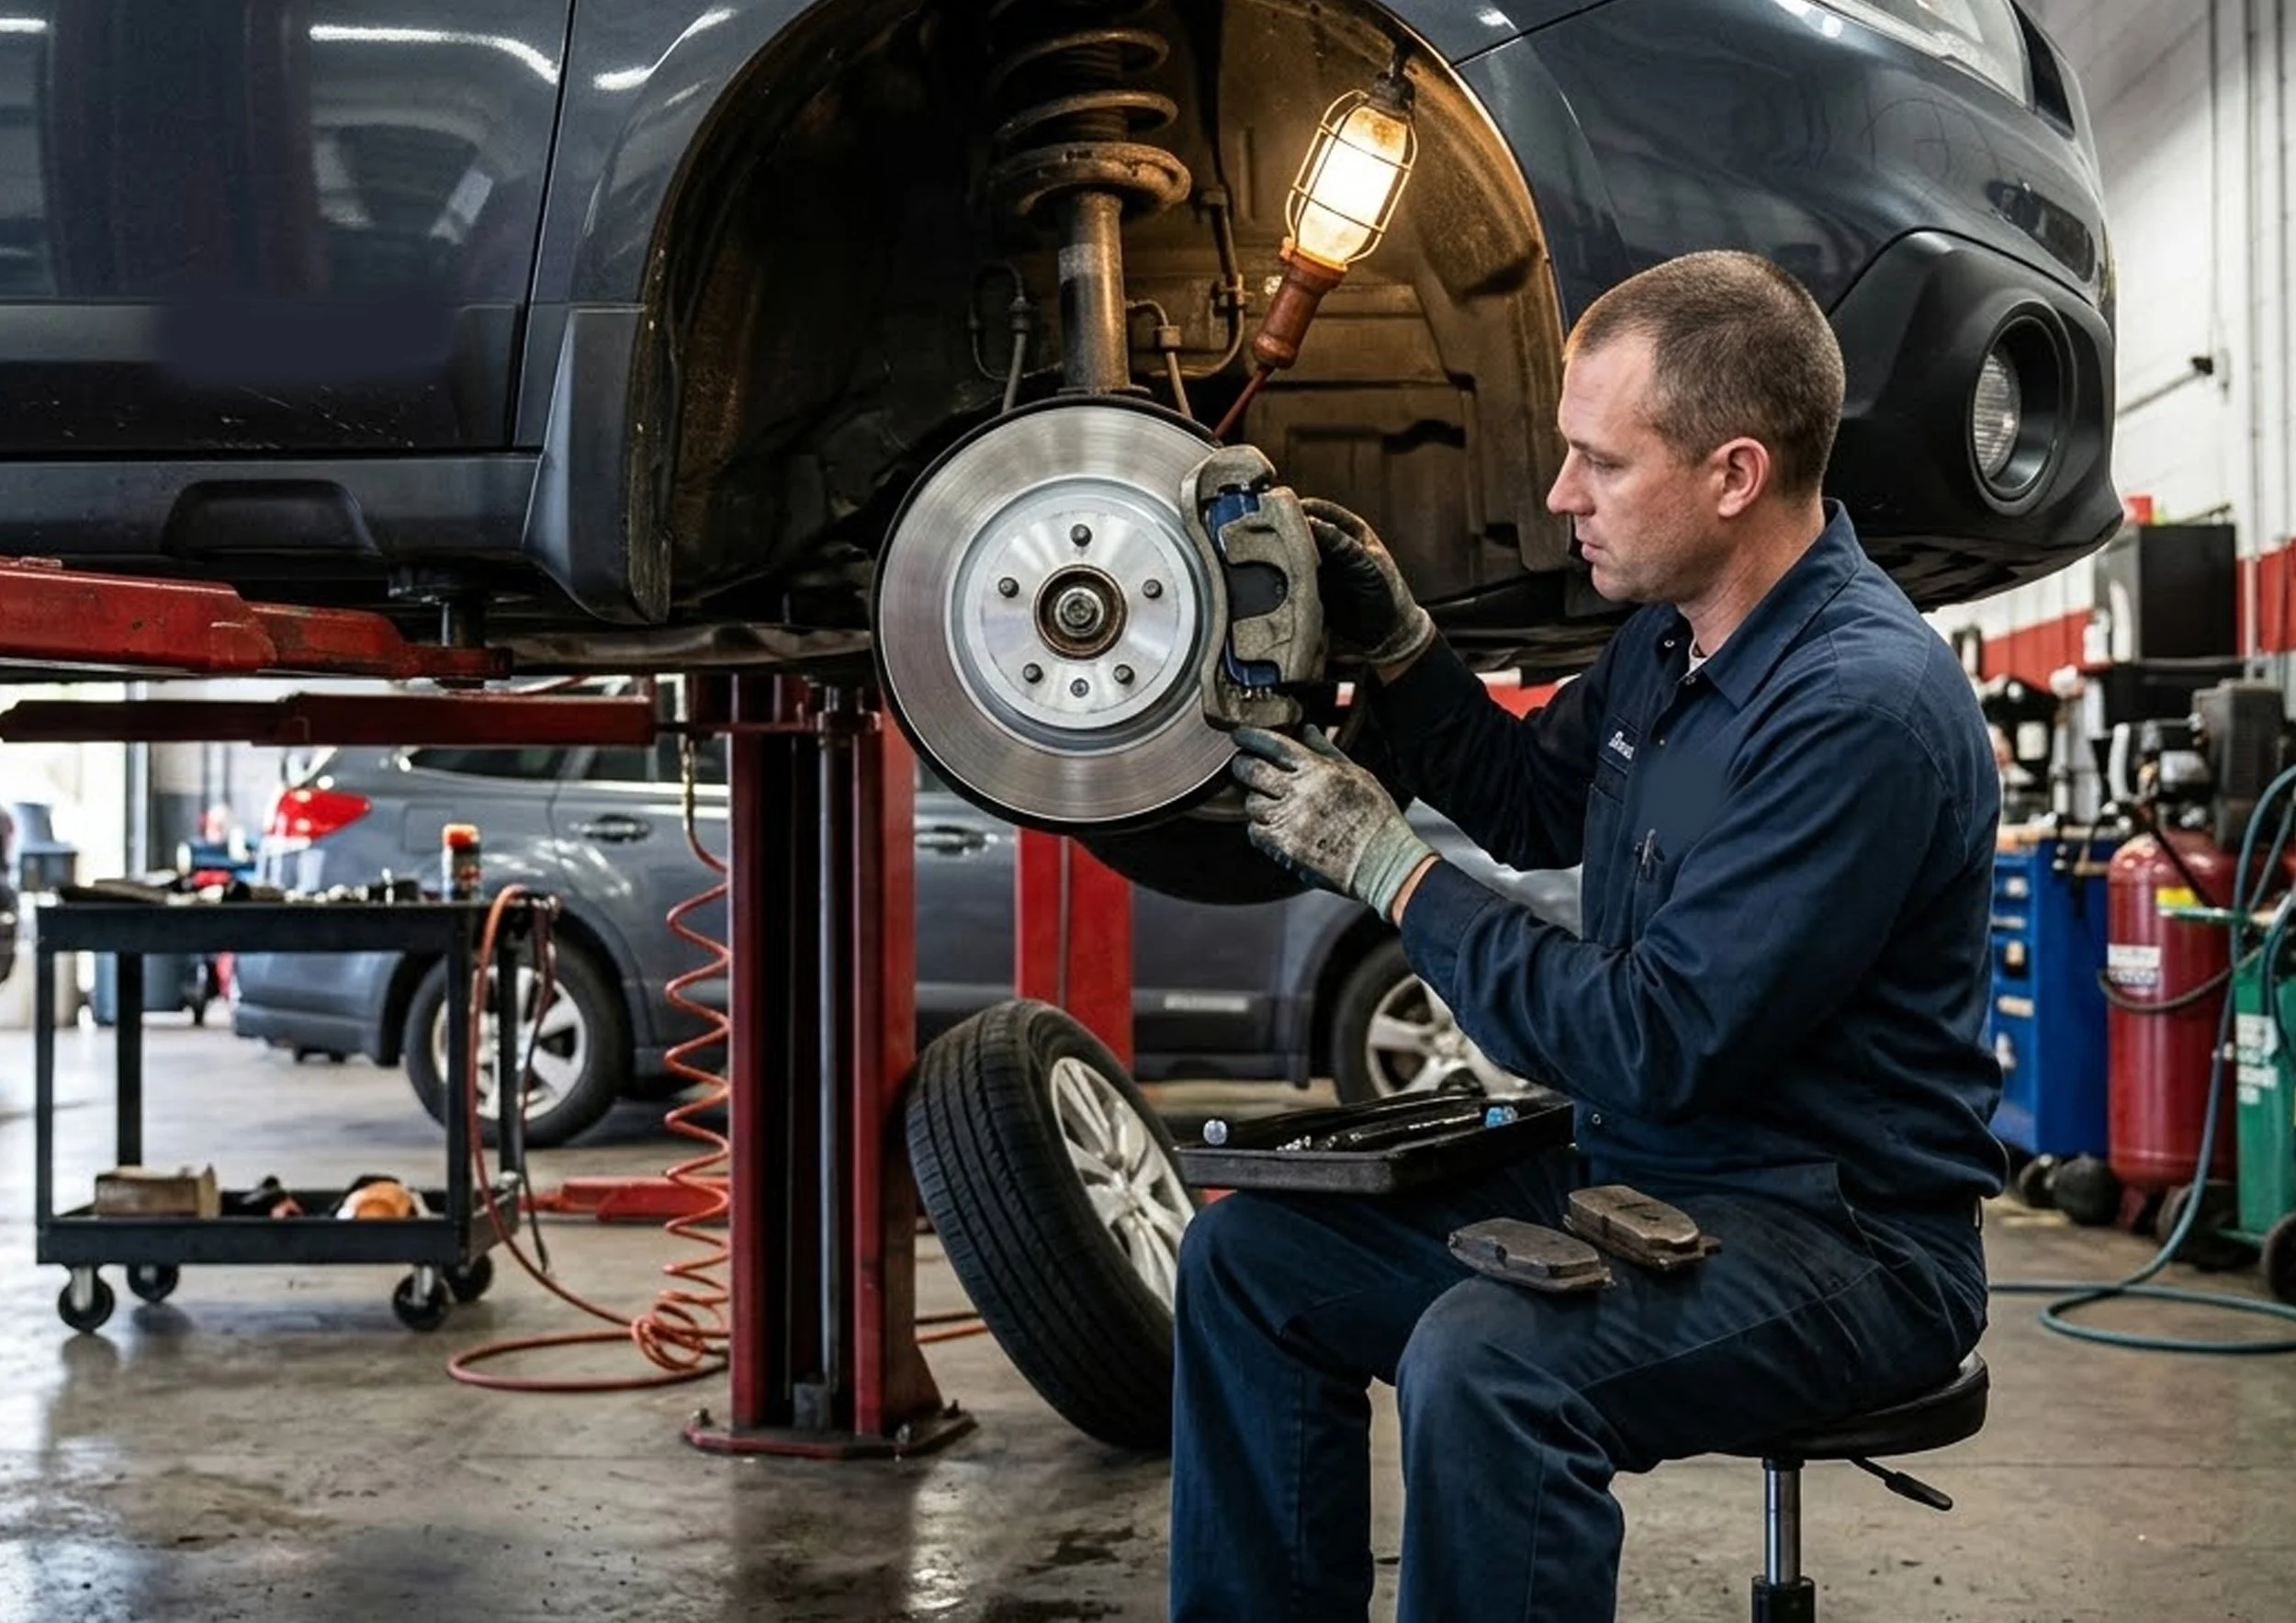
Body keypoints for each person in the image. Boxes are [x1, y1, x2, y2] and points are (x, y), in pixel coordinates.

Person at [1169, 250, 2004, 1623]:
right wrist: (1401, 648)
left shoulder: (1858, 711)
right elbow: (1527, 795)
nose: (1563, 496)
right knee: (1254, 1265)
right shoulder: (1675, 646)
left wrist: (1387, 867)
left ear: (1732, 475)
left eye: (1599, 463)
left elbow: (1652, 1036)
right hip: (1651, 1166)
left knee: (1494, 1359)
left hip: (1843, 1230)